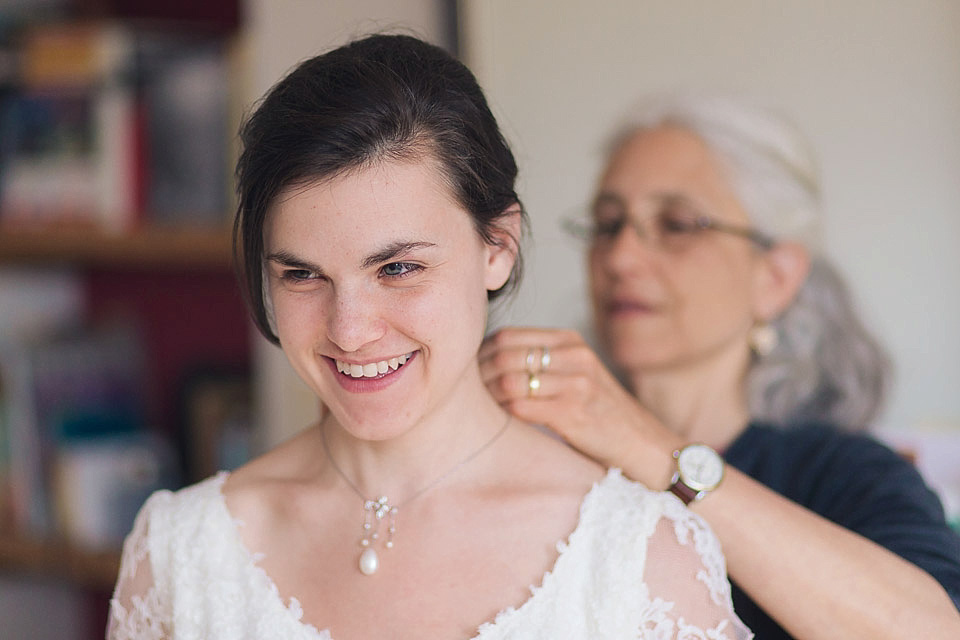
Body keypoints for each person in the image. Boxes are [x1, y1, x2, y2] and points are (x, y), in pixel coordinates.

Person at [106, 37, 752, 639]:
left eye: (398, 269)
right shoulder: (179, 552)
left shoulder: (640, 554)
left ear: (497, 246)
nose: (350, 332)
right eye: (303, 275)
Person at [480, 94, 960, 639]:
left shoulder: (845, 473)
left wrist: (649, 448)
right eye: (610, 224)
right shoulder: (535, 451)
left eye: (678, 225)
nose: (620, 259)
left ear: (774, 277)